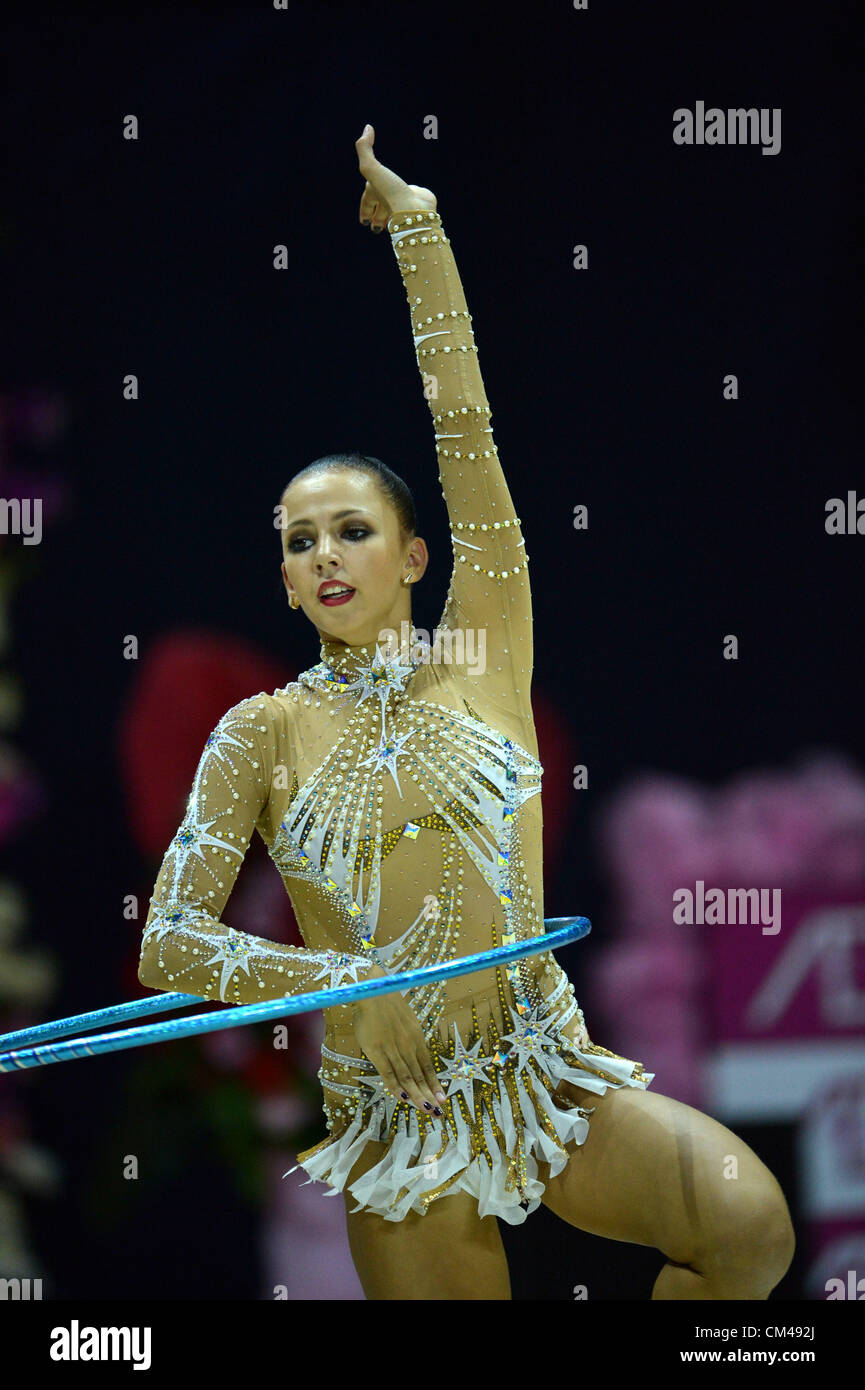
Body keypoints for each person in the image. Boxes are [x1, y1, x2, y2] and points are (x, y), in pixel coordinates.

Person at [138, 124, 795, 1300]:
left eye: (352, 530)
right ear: (284, 579)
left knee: (749, 1234)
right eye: (299, 540)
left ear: (415, 554)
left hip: (541, 1066)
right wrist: (343, 988)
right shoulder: (260, 730)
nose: (325, 554)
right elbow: (169, 940)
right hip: (398, 1120)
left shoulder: (485, 650)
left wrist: (422, 238)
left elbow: (465, 434)